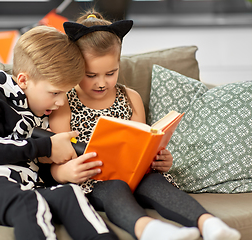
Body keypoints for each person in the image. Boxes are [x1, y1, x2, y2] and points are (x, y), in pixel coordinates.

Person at [48, 11, 241, 240]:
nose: (102, 83)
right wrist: (64, 173)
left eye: (111, 73)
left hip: (135, 175)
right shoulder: (64, 102)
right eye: (91, 75)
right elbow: (55, 155)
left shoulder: (130, 97)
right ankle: (151, 231)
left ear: (119, 64)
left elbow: (139, 143)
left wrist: (159, 160)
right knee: (115, 188)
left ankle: (210, 224)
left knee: (156, 182)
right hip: (93, 181)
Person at [0, 25, 118, 240]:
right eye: (55, 92)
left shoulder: (37, 108)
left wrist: (59, 173)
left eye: (65, 93)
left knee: (70, 193)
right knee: (30, 203)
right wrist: (47, 146)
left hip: (26, 186)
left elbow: (30, 166)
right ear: (23, 80)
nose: (60, 102)